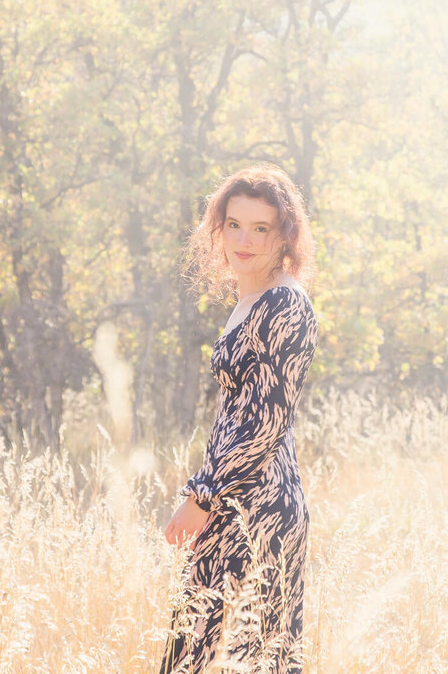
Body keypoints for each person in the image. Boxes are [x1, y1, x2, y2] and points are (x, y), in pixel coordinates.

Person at [158, 165, 319, 674]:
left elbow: (266, 423)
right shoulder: (251, 299)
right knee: (193, 657)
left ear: (285, 235)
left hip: (259, 509)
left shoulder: (286, 305)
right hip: (234, 500)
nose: (243, 240)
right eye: (234, 225)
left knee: (247, 662)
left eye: (260, 228)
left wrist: (201, 496)